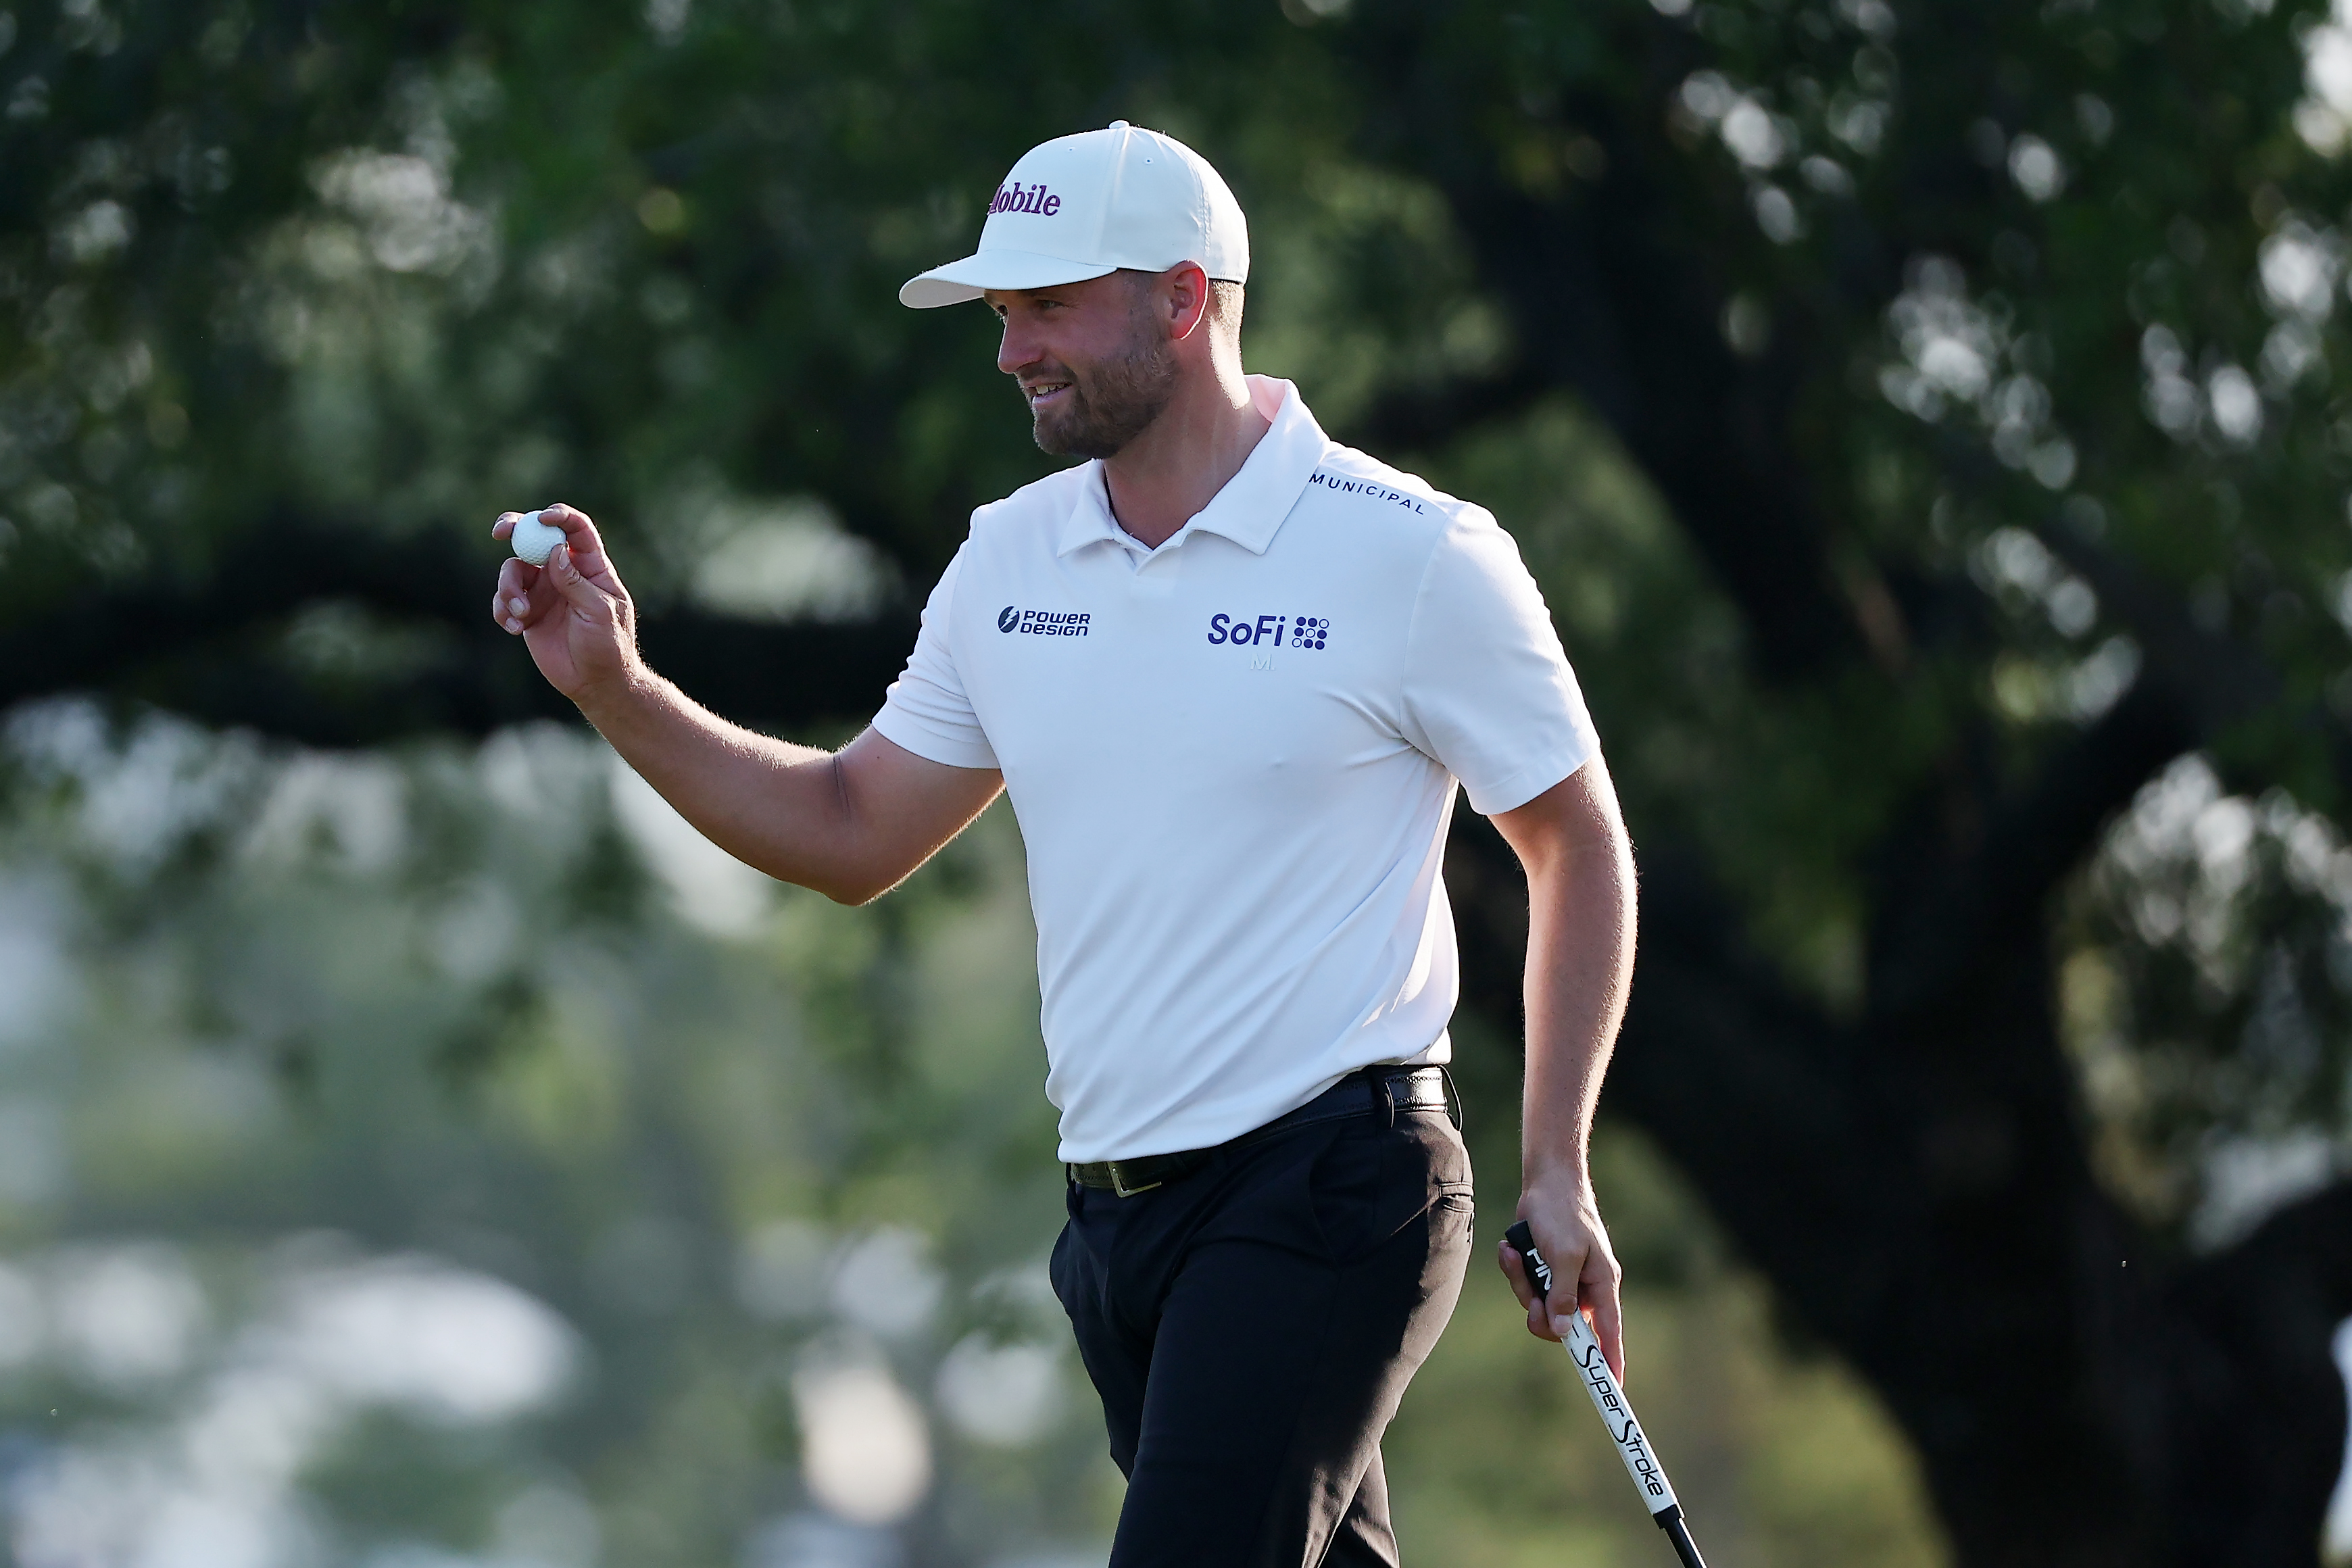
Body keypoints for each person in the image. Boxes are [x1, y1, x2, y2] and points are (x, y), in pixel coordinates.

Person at [489, 121, 1636, 1568]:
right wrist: (617, 688)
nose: (1010, 348)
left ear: (1179, 296)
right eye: (1001, 311)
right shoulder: (1008, 559)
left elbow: (1574, 841)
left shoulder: (1413, 552)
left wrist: (1557, 1160)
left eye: (1046, 306)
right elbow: (851, 830)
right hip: (1112, 1225)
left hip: (1330, 1188)